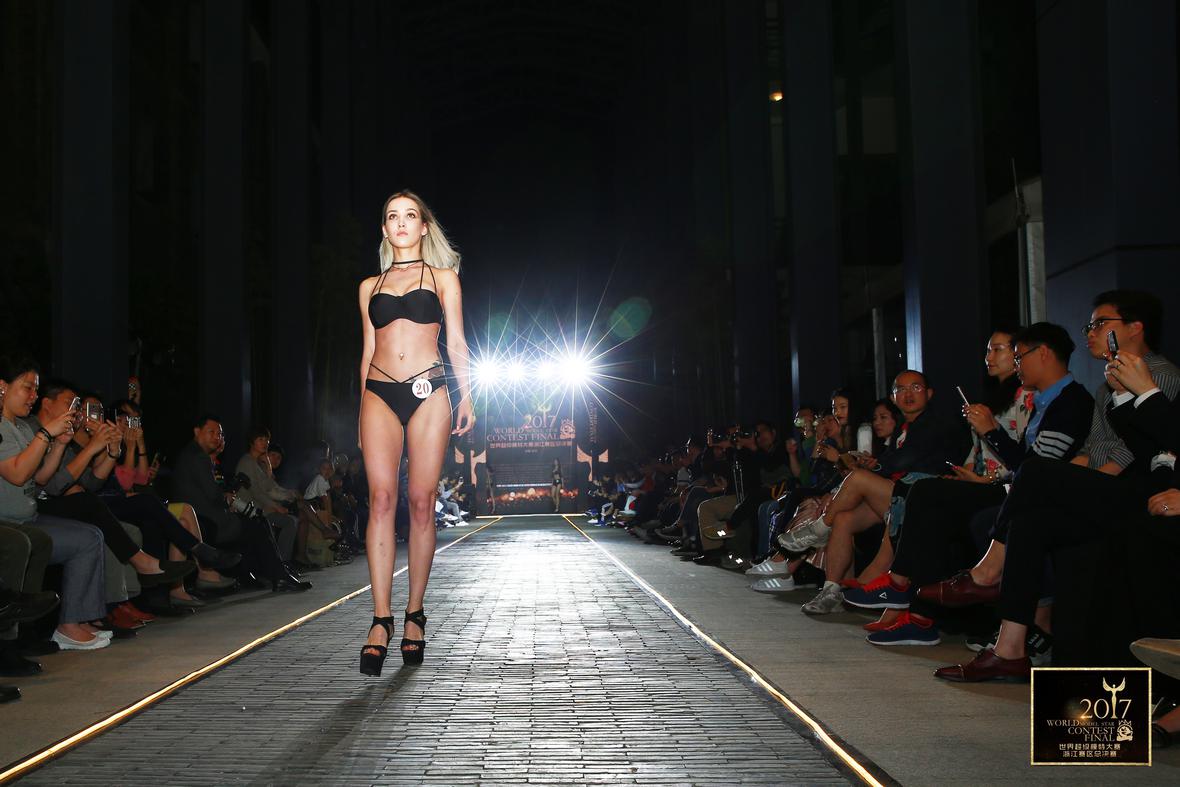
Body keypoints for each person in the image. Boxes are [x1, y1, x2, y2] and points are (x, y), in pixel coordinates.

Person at [357, 190, 474, 676]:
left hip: (431, 390)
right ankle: (380, 619)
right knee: (381, 500)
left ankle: (414, 614)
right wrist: (359, 410)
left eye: (410, 215)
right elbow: (368, 350)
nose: (401, 223)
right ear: (385, 229)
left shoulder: (443, 277)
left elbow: (457, 341)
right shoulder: (369, 286)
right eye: (393, 216)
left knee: (422, 501)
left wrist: (466, 396)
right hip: (378, 392)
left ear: (424, 226)